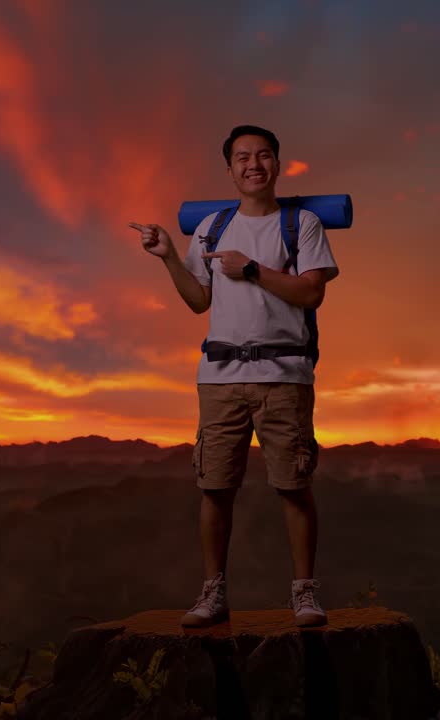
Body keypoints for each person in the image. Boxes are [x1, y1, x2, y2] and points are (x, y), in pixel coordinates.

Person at [129, 125, 340, 628]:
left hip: (285, 374)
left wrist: (250, 269)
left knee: (293, 485)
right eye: (243, 157)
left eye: (263, 155)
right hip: (219, 376)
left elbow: (311, 293)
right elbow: (198, 300)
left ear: (278, 165)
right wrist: (168, 258)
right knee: (215, 487)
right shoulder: (211, 227)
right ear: (229, 169)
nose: (253, 164)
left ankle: (304, 594)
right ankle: (213, 593)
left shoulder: (302, 223)